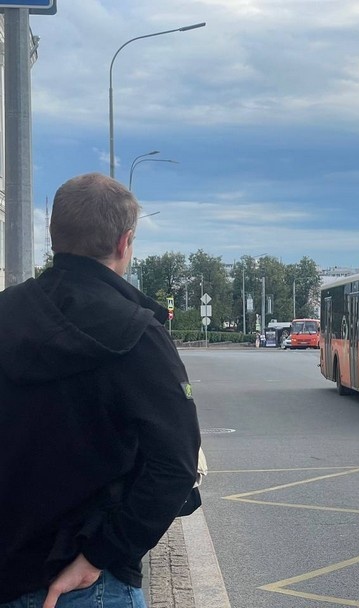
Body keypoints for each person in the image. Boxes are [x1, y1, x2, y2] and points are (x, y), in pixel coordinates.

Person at [0, 173, 201, 608]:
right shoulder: (138, 334)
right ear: (125, 242)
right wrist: (100, 554)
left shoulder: (5, 314)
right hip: (90, 584)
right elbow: (175, 466)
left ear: (54, 235)